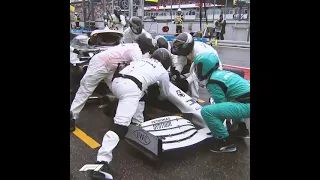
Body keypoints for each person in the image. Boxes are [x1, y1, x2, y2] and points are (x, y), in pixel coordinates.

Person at [89, 48, 172, 180]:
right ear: (166, 61)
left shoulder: (143, 60)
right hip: (130, 88)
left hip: (116, 83)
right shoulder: (162, 70)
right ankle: (101, 163)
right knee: (121, 127)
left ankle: (137, 123)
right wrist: (159, 98)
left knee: (141, 95)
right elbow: (165, 94)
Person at [70, 40, 143, 132]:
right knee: (84, 92)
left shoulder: (131, 46)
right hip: (99, 65)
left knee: (120, 90)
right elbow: (139, 69)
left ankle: (122, 114)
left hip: (110, 68)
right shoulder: (136, 52)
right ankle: (72, 117)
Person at [193, 52, 250, 153]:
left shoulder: (212, 81)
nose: (197, 70)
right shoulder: (222, 73)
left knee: (207, 112)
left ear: (205, 67)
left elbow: (221, 105)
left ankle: (224, 142)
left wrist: (214, 126)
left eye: (198, 67)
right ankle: (241, 129)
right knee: (234, 102)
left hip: (247, 105)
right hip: (246, 101)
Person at [171, 32, 223, 101]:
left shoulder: (199, 53)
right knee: (190, 76)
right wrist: (177, 72)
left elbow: (195, 75)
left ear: (187, 46)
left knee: (212, 83)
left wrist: (186, 82)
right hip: (202, 60)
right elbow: (181, 62)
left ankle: (194, 99)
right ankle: (189, 95)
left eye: (180, 45)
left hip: (212, 62)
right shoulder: (187, 49)